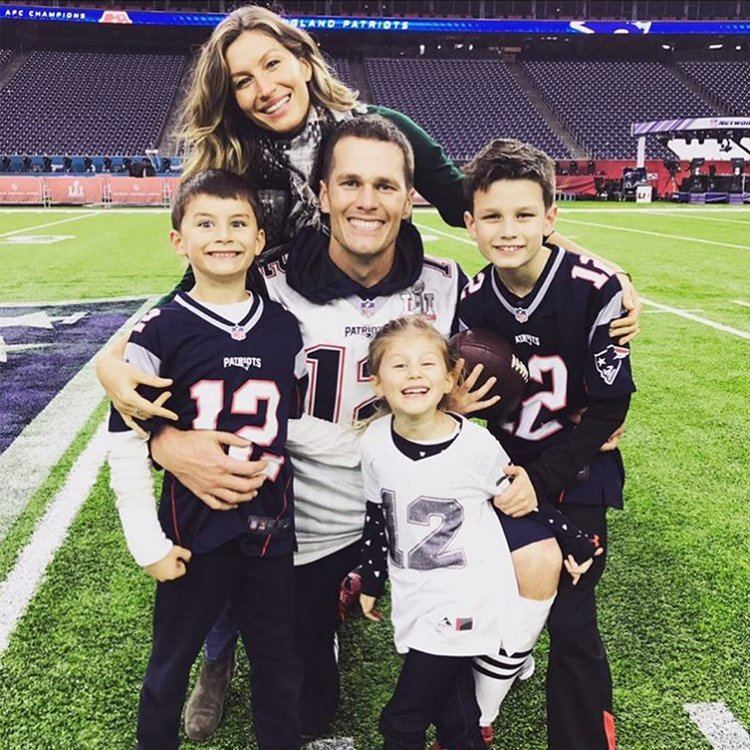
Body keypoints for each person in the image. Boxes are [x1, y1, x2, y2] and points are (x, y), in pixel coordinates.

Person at [107, 170, 307, 750]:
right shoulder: (160, 331)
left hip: (271, 529)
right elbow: (124, 440)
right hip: (192, 532)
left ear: (260, 238)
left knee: (279, 663)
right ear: (179, 241)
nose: (224, 236)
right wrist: (147, 542)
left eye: (238, 223)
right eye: (206, 223)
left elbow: (290, 423)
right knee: (169, 667)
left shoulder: (282, 329)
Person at [457, 139, 635, 750]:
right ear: (470, 223)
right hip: (506, 470)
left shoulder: (596, 288)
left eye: (525, 215)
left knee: (572, 614)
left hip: (579, 468)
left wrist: (541, 476)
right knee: (476, 591)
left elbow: (610, 404)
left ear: (551, 218)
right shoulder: (472, 300)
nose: (509, 231)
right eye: (494, 217)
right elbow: (466, 400)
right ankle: (467, 719)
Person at [357, 316, 602, 750]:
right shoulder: (374, 440)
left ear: (451, 377)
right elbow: (378, 515)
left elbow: (522, 499)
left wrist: (576, 540)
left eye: (427, 364)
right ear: (376, 383)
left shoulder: (475, 446)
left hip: (462, 600)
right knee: (457, 719)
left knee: (402, 721)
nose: (414, 373)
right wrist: (373, 579)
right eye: (399, 365)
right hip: (416, 593)